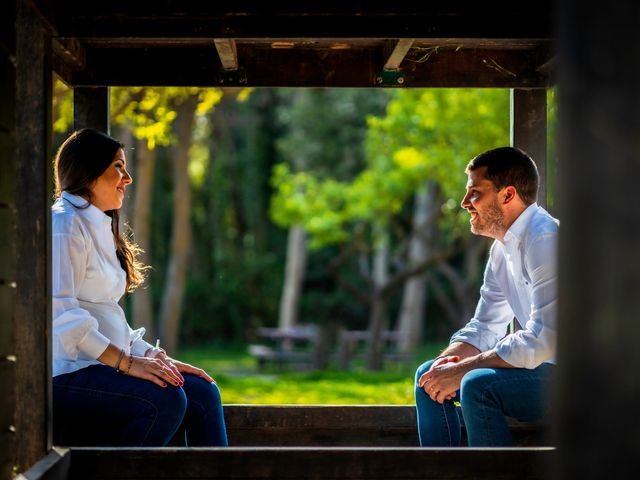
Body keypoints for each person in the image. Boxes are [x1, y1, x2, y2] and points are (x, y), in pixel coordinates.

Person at [51, 128, 228, 447]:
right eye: (118, 166)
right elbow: (63, 318)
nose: (127, 177)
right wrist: (127, 363)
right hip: (68, 374)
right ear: (88, 171)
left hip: (101, 368)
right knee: (165, 399)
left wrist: (155, 357)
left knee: (202, 392)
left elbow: (106, 315)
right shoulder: (64, 225)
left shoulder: (96, 224)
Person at [415, 146, 558, 447]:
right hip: (542, 371)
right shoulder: (501, 249)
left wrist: (464, 369)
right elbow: (485, 327)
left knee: (478, 385)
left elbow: (546, 340)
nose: (465, 203)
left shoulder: (545, 240)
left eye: (475, 193)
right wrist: (445, 367)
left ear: (507, 195)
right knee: (428, 375)